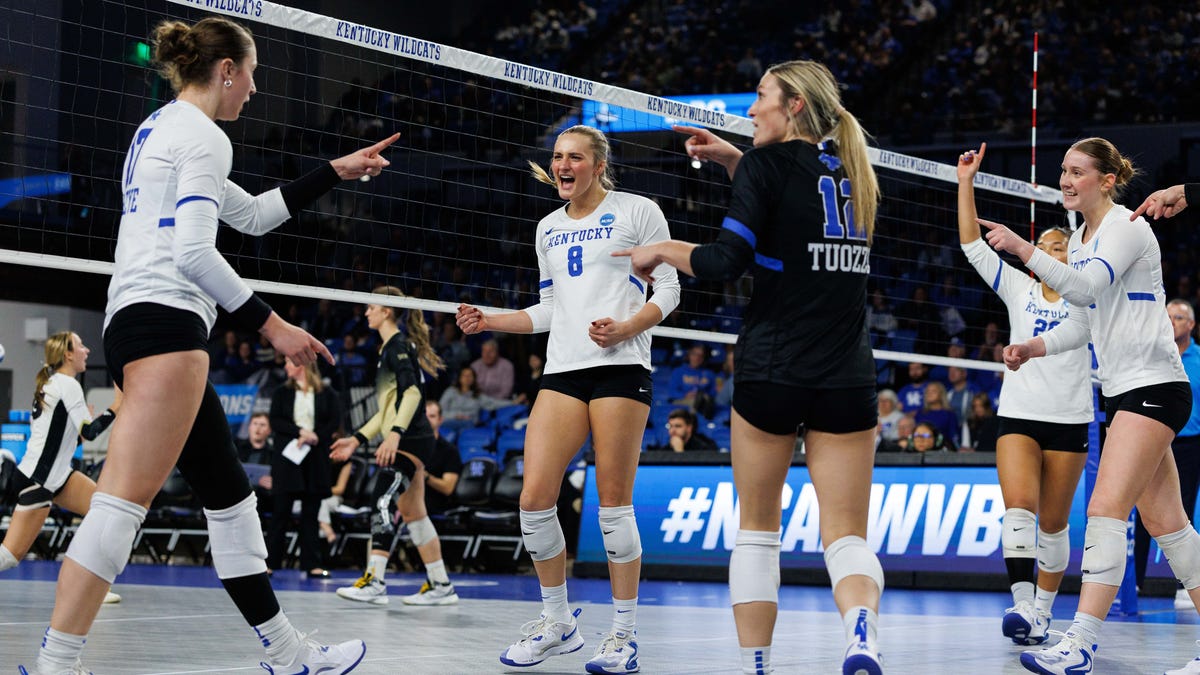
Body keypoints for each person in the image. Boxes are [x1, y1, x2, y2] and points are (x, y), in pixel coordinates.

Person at [19, 17, 395, 673]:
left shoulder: (160, 127)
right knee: (119, 506)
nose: (253, 88)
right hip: (166, 321)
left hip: (141, 319)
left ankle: (287, 652)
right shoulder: (203, 134)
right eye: (252, 74)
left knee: (229, 496)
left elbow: (248, 216)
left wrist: (334, 170)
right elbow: (193, 251)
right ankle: (54, 663)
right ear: (228, 71)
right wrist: (273, 325)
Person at [615, 60, 884, 675]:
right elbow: (795, 223)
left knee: (759, 532)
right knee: (846, 536)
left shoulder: (767, 167)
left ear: (791, 105)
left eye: (760, 97)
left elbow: (724, 261)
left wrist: (660, 249)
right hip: (847, 375)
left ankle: (756, 665)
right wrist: (738, 162)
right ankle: (861, 628)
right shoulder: (857, 174)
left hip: (773, 368)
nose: (750, 108)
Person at [456, 123, 680, 673]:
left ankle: (623, 633)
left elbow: (669, 288)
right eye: (557, 156)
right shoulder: (547, 228)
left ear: (598, 165)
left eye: (575, 157)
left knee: (612, 505)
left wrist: (628, 328)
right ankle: (558, 623)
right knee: (533, 499)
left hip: (620, 367)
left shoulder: (637, 211)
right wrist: (491, 321)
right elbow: (550, 311)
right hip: (563, 370)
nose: (563, 165)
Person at [982, 138, 1197, 675]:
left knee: (1103, 510)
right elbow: (1082, 320)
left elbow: (1085, 287)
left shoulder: (1126, 227)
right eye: (1063, 171)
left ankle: (1079, 643)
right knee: (1171, 528)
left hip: (1155, 386)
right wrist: (1035, 346)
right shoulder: (1079, 238)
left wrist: (1023, 250)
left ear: (1106, 180)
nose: (1066, 180)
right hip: (1126, 391)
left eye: (1077, 172)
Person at [960, 143, 1095, 645]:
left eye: (1061, 246)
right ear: (1036, 259)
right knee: (1019, 508)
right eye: (1046, 246)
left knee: (1056, 527)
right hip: (1019, 415)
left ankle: (1042, 611)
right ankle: (1021, 606)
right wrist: (967, 182)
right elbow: (973, 246)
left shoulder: (1088, 295)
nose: (1053, 251)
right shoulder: (1019, 289)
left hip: (1069, 418)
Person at [330, 286, 459, 607]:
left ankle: (375, 581)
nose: (366, 312)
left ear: (386, 310)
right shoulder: (389, 348)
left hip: (411, 440)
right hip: (412, 439)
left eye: (371, 307)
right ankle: (441, 585)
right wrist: (357, 438)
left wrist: (396, 434)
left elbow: (413, 393)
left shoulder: (398, 346)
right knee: (413, 512)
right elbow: (387, 409)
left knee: (382, 500)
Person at [0, 332, 122, 605]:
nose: (87, 350)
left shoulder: (54, 383)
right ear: (68, 355)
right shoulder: (67, 385)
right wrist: (117, 405)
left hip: (58, 476)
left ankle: (91, 588)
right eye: (81, 346)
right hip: (39, 480)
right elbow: (89, 433)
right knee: (9, 557)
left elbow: (67, 435)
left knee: (105, 512)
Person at [1133, 300, 1200, 609]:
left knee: (1181, 514)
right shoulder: (1151, 352)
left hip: (1189, 443)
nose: (1172, 321)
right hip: (1153, 437)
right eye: (1168, 316)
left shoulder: (1198, 358)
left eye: (1179, 317)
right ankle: (1134, 583)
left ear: (1191, 325)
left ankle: (1185, 587)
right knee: (1143, 512)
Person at [266, 358, 340, 578]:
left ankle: (311, 563)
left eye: (289, 363)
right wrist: (300, 432)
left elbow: (334, 421)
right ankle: (270, 562)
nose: (286, 367)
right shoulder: (281, 393)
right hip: (289, 457)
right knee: (281, 511)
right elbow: (276, 420)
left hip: (315, 458)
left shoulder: (327, 393)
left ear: (302, 365)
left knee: (311, 513)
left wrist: (316, 436)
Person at [423, 400, 463, 515]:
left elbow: (447, 488)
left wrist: (424, 476)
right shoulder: (412, 448)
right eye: (424, 416)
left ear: (440, 420)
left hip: (435, 503)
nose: (427, 420)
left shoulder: (449, 451)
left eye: (432, 416)